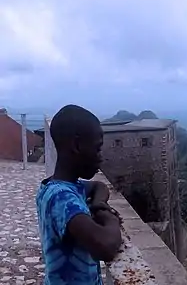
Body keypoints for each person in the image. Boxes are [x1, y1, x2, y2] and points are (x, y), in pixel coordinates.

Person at [36, 104, 123, 285]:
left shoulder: (61, 186)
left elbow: (99, 186)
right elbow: (105, 246)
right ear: (76, 145)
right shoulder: (62, 199)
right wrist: (112, 218)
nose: (100, 156)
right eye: (97, 148)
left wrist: (98, 205)